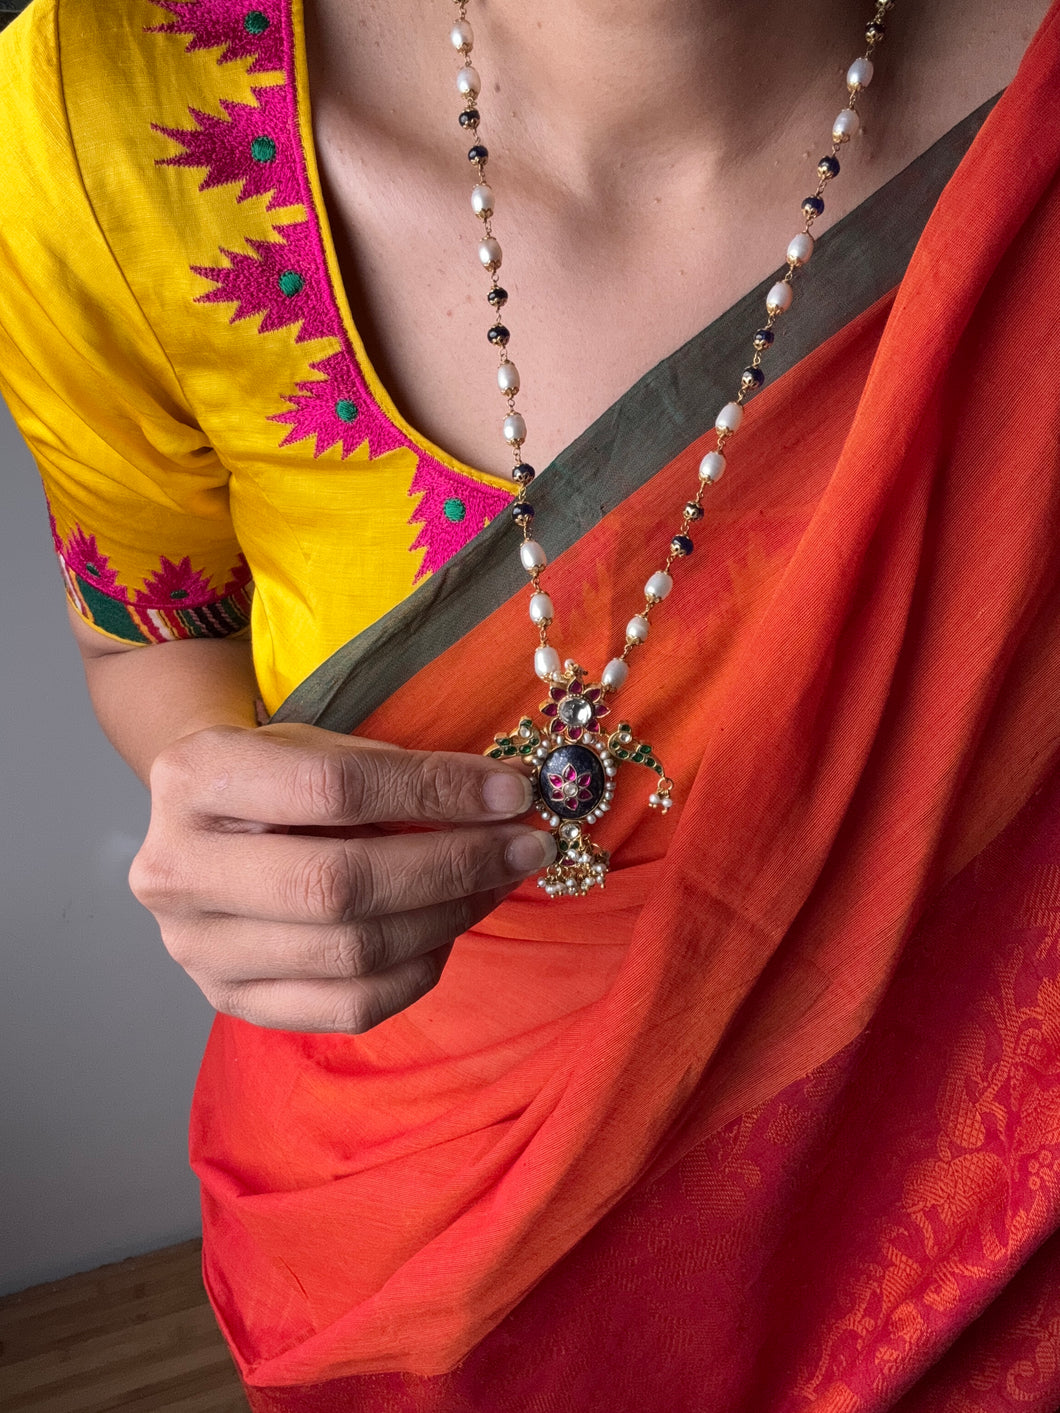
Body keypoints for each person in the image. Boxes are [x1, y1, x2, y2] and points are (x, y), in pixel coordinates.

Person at [2, 0, 1060, 1407]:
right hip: (425, 1259)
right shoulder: (108, 110)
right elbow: (147, 628)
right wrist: (215, 785)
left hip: (972, 1225)